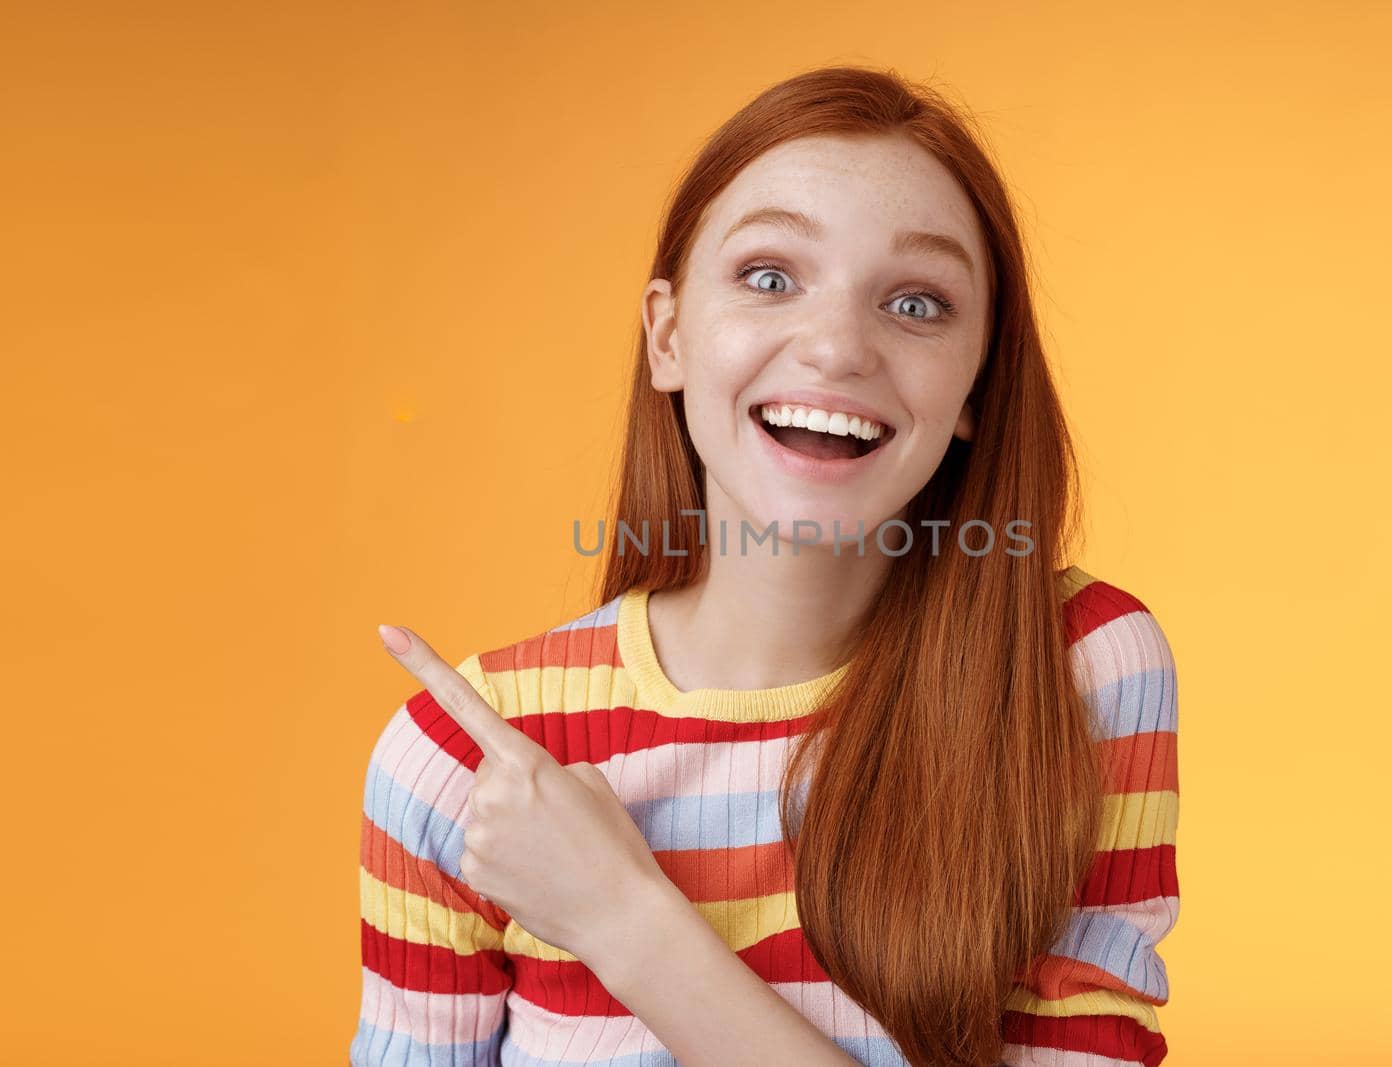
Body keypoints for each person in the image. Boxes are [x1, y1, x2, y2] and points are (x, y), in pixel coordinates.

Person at [352, 64, 1179, 1067]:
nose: (835, 348)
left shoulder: (1076, 668)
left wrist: (624, 919)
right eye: (769, 277)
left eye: (916, 302)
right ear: (668, 336)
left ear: (975, 384)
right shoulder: (466, 757)